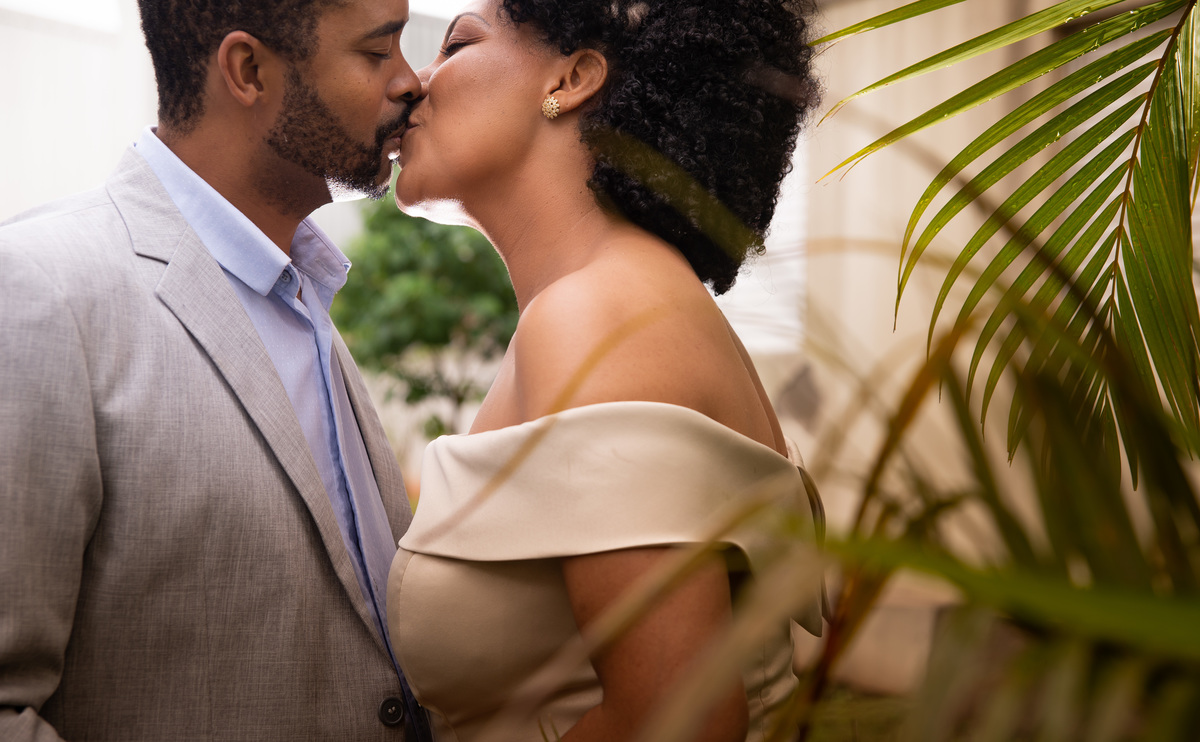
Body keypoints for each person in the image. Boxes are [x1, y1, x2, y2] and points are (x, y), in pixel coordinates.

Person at [386, 0, 823, 739]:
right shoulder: (618, 301)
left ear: (574, 77)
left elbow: (676, 723)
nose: (413, 84)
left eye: (456, 44)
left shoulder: (598, 316)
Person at [0, 0, 432, 739]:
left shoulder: (304, 294)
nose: (411, 81)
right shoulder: (41, 290)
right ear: (248, 70)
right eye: (377, 51)